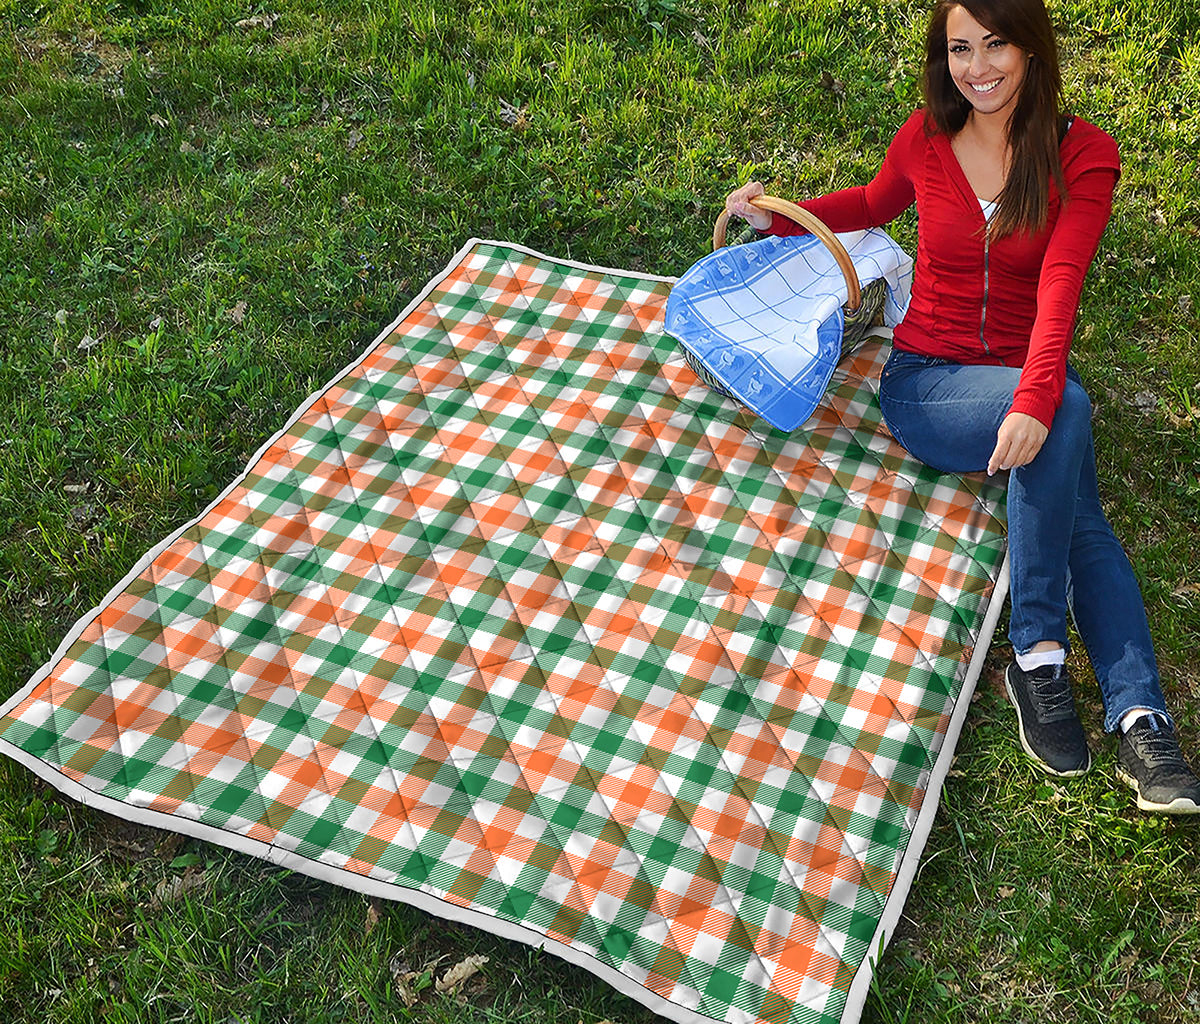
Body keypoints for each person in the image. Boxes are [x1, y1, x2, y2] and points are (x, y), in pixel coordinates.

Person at [724, 0, 1200, 814]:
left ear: (1031, 48)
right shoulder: (926, 137)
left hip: (1020, 375)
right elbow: (872, 205)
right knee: (1069, 421)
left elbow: (1061, 284)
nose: (977, 67)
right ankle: (1048, 657)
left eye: (996, 44)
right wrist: (779, 221)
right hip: (927, 383)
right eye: (959, 49)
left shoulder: (1083, 156)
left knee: (1074, 475)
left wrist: (1037, 396)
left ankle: (1131, 713)